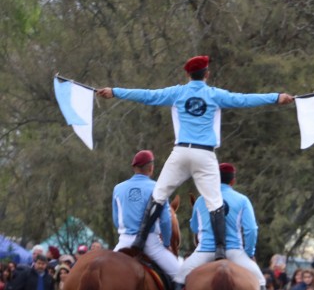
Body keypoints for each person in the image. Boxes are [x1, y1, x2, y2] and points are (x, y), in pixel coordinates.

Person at [97, 55, 294, 260]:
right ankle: (220, 249)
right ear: (206, 74)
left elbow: (147, 95)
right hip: (205, 154)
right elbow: (244, 99)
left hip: (181, 152)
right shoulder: (215, 94)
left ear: (188, 75)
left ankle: (139, 240)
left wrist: (115, 92)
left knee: (159, 195)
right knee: (214, 202)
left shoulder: (177, 92)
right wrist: (276, 97)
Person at [174, 163, 269, 290]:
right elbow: (251, 230)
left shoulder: (201, 200)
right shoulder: (242, 200)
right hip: (234, 252)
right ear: (233, 181)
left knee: (179, 278)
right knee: (260, 281)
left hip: (205, 251)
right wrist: (249, 252)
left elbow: (194, 227)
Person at [112, 150, 179, 278]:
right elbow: (165, 221)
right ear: (151, 167)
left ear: (134, 168)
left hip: (124, 241)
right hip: (151, 243)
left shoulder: (118, 188)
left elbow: (116, 221)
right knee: (181, 275)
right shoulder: (158, 188)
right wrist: (166, 244)